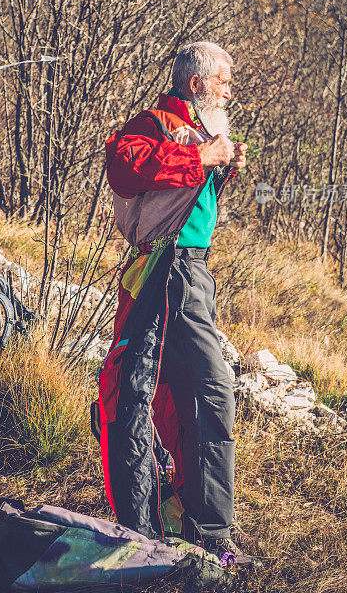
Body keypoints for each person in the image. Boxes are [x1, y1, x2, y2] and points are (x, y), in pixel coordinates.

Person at [97, 41, 250, 566]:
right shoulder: (156, 121)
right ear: (196, 83)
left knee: (181, 394)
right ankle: (210, 532)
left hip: (193, 272)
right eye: (224, 80)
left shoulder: (205, 132)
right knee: (212, 389)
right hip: (172, 271)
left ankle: (184, 523)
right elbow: (123, 166)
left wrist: (221, 166)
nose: (231, 89)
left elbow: (183, 200)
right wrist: (202, 156)